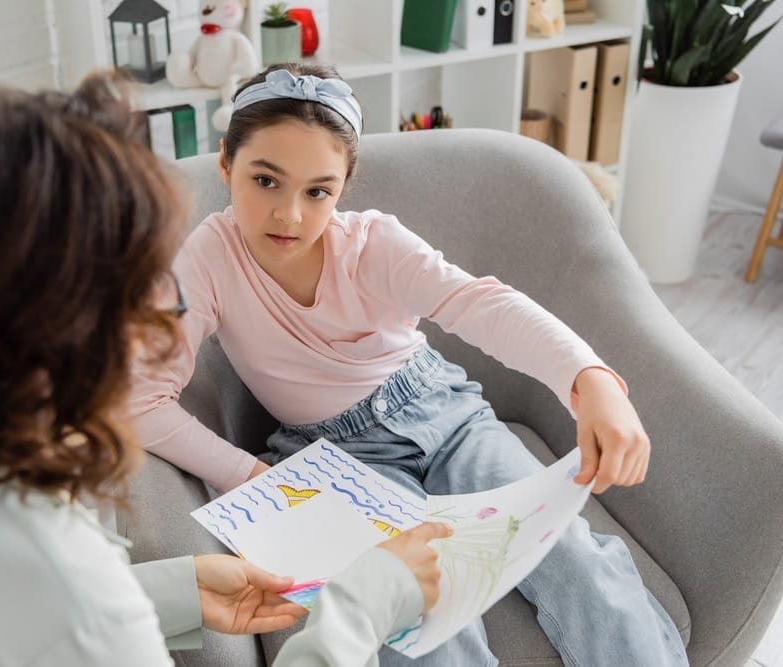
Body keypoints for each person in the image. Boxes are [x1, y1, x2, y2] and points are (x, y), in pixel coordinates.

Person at [0, 70, 453, 666]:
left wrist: (161, 592)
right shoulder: (72, 591)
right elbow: (51, 610)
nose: (155, 328)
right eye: (138, 292)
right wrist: (364, 605)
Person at [128, 62, 690, 666]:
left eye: (318, 191)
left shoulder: (372, 244)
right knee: (419, 622)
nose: (289, 214)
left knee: (573, 561)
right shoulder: (208, 258)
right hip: (334, 461)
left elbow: (481, 305)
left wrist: (589, 377)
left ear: (342, 187)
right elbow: (139, 401)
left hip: (445, 417)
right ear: (225, 165)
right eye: (266, 181)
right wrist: (249, 476)